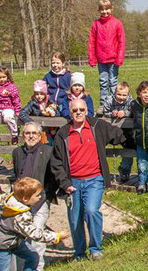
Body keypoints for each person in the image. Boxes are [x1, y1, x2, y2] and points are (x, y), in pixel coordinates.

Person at [50, 98, 124, 260]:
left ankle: (96, 248)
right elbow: (56, 163)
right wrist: (65, 183)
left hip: (94, 179)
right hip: (73, 182)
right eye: (75, 110)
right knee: (75, 218)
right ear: (70, 112)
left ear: (86, 110)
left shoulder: (97, 126)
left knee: (91, 211)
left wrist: (138, 141)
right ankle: (79, 253)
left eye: (81, 110)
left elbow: (118, 135)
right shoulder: (63, 134)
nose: (78, 113)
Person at [12, 121, 57, 271]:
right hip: (21, 202)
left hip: (40, 200)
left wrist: (45, 196)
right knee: (21, 235)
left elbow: (52, 178)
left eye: (34, 133)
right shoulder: (17, 152)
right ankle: (23, 269)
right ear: (23, 135)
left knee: (37, 233)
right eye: (27, 133)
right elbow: (16, 174)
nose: (30, 136)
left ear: (40, 135)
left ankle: (37, 270)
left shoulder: (48, 151)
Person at [89, 0, 126, 107]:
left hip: (113, 59)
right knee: (103, 82)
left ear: (112, 9)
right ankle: (104, 105)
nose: (105, 12)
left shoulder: (117, 23)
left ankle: (116, 103)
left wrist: (119, 58)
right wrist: (92, 58)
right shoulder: (96, 24)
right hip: (101, 59)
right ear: (99, 10)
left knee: (113, 82)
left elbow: (121, 42)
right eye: (102, 9)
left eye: (107, 9)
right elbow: (91, 42)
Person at [102, 82, 135, 182]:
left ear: (128, 94)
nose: (121, 97)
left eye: (124, 95)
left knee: (129, 148)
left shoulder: (130, 101)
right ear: (115, 93)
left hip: (126, 130)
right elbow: (105, 111)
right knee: (100, 145)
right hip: (112, 129)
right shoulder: (109, 100)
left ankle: (124, 170)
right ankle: (101, 171)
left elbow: (133, 112)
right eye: (119, 94)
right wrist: (113, 113)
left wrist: (125, 113)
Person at [44, 52, 72, 117]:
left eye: (57, 63)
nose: (55, 65)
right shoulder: (48, 76)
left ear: (63, 63)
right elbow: (42, 87)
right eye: (53, 63)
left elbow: (71, 88)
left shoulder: (68, 76)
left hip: (63, 102)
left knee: (64, 114)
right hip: (51, 103)